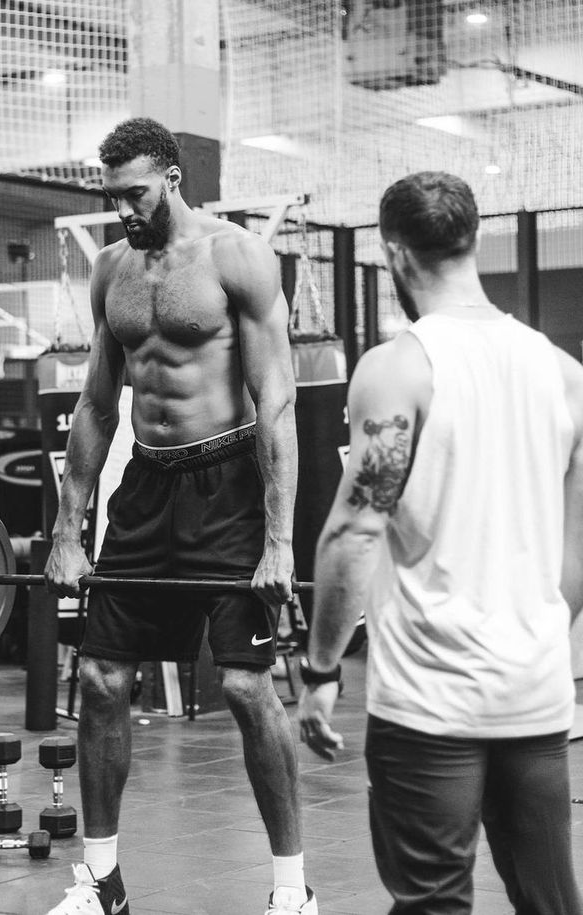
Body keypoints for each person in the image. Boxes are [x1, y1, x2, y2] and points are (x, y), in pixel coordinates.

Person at [44, 117, 318, 915]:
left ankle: (292, 889)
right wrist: (70, 527)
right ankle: (101, 883)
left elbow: (278, 402)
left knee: (244, 686)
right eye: (112, 197)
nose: (124, 210)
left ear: (171, 174)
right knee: (100, 678)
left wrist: (277, 539)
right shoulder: (111, 271)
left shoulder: (236, 257)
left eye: (135, 193)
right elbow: (97, 405)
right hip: (147, 485)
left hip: (229, 486)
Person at [297, 170, 583, 915]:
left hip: (429, 702)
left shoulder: (398, 369)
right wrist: (531, 645)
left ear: (394, 254)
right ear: (476, 237)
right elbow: (577, 560)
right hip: (537, 695)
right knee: (551, 906)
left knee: (431, 904)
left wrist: (322, 667)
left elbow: (354, 530)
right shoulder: (566, 376)